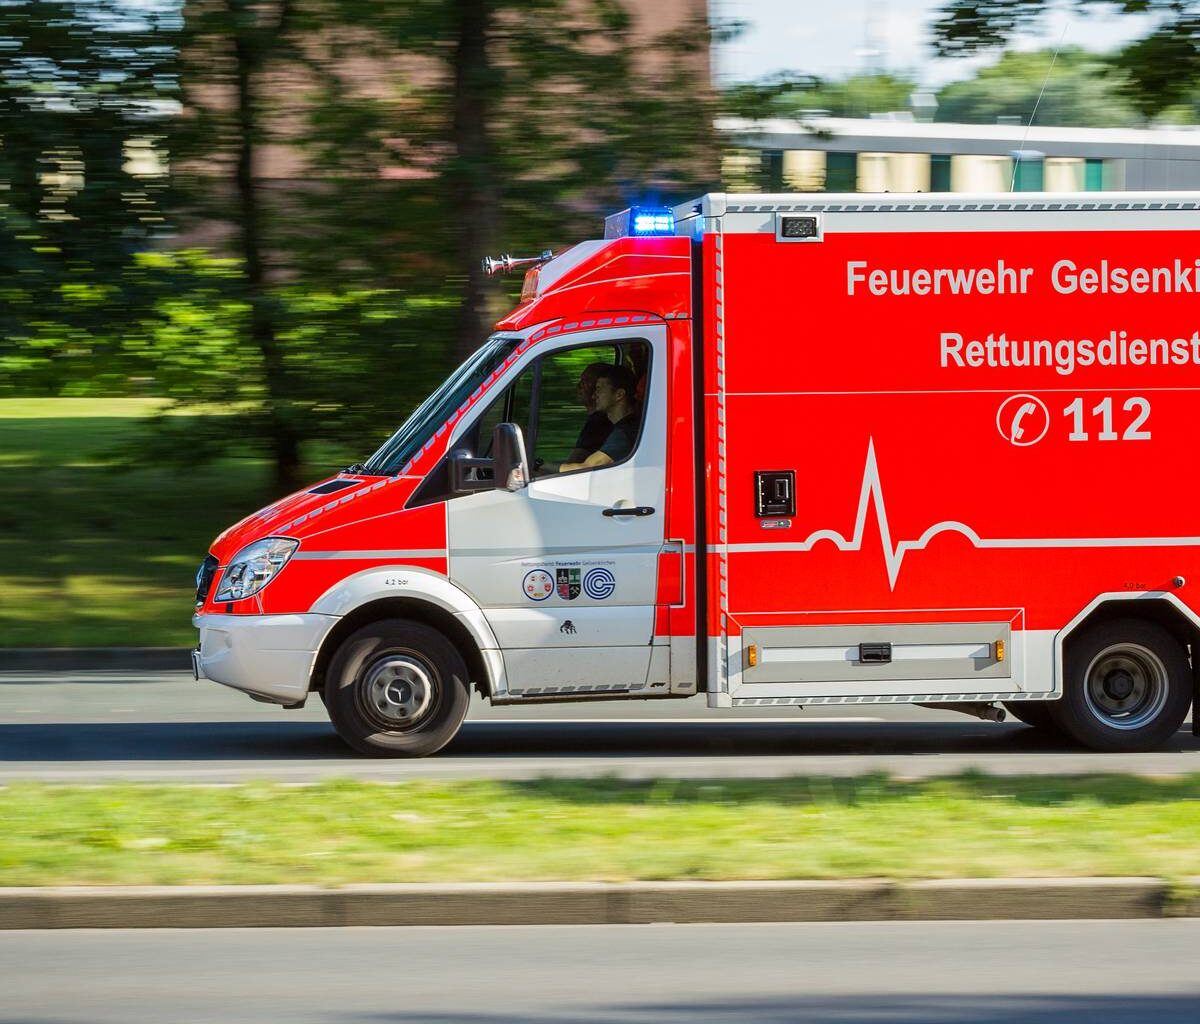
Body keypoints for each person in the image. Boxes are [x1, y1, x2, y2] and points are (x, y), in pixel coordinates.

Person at [560, 364, 640, 472]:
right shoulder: (621, 427)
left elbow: (586, 467)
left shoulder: (626, 432)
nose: (594, 396)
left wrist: (538, 466)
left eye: (599, 389)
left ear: (619, 395)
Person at [565, 363, 614, 464]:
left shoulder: (599, 424)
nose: (578, 385)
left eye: (586, 381)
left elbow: (574, 465)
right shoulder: (595, 420)